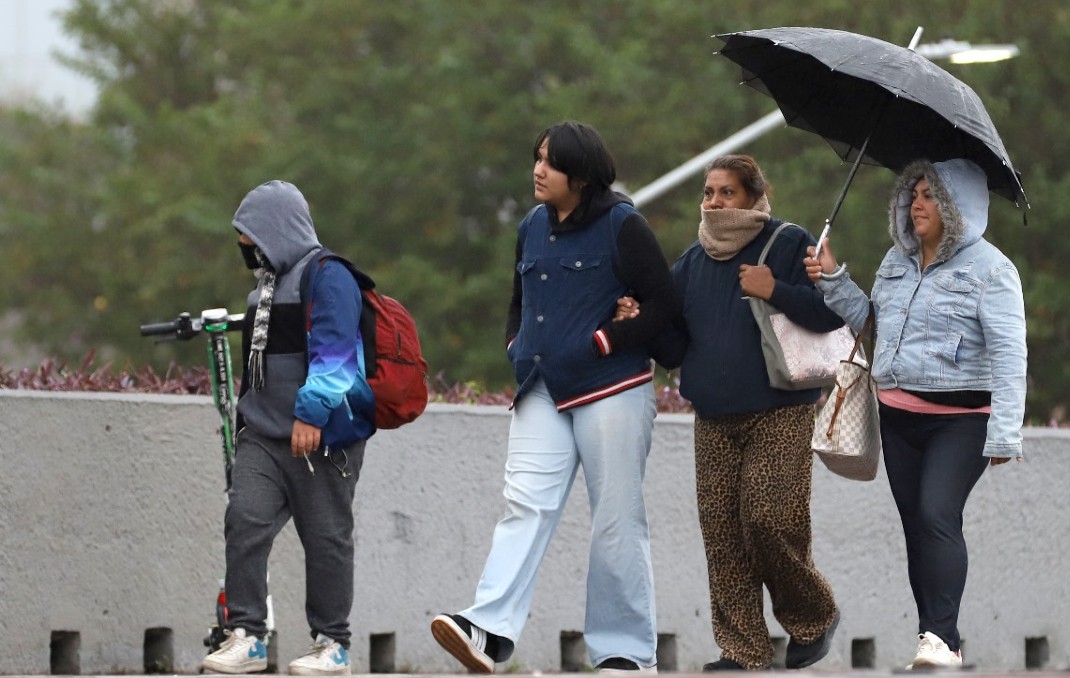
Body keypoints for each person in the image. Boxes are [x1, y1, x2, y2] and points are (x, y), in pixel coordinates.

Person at [430, 121, 679, 675]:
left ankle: (624, 653)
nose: (538, 170)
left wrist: (607, 338)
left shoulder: (624, 226)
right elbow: (519, 299)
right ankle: (488, 631)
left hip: (612, 387)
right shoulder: (530, 227)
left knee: (616, 520)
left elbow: (664, 305)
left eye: (551, 162)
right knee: (524, 506)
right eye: (536, 158)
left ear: (582, 175)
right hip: (540, 387)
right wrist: (517, 343)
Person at [617, 154, 843, 672]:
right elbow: (674, 350)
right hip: (714, 418)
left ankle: (814, 614)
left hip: (780, 410)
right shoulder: (691, 263)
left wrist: (775, 289)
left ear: (753, 196)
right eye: (709, 193)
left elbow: (831, 313)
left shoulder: (787, 243)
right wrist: (641, 323)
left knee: (765, 518)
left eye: (728, 193)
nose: (715, 202)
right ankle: (743, 651)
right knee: (722, 535)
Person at [804, 158, 1027, 669]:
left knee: (936, 514)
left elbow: (1011, 355)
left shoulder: (992, 269)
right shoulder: (896, 262)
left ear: (958, 207)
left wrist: (1005, 433)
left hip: (962, 421)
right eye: (914, 193)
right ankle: (932, 639)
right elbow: (872, 324)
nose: (916, 203)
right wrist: (833, 277)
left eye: (930, 195)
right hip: (898, 417)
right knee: (916, 527)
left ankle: (942, 640)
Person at [202, 180, 375, 676]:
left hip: (317, 436)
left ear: (275, 230)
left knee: (326, 539)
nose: (244, 244)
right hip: (262, 433)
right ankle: (248, 635)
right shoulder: (265, 285)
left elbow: (337, 353)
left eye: (250, 234)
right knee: (245, 521)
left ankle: (332, 644)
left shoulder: (329, 276)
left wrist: (310, 413)